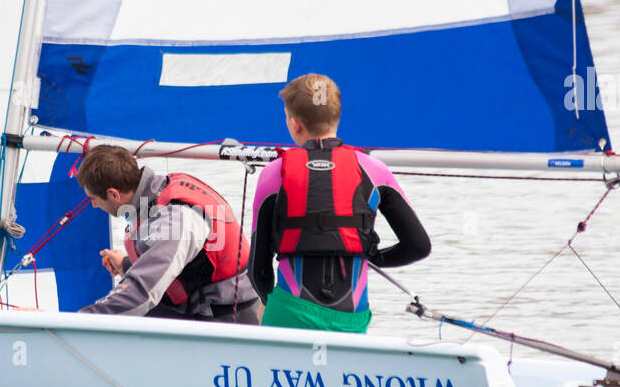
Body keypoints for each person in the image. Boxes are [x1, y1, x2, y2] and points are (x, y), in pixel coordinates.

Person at [248, 73, 430, 333]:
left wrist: (267, 301)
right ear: (337, 117)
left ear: (295, 124)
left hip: (288, 314)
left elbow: (258, 269)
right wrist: (371, 256)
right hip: (350, 319)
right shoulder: (374, 170)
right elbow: (419, 246)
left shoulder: (274, 173)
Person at [76, 144, 262, 323]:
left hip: (223, 315)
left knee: (126, 313)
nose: (93, 205)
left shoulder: (176, 219)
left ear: (113, 194)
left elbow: (142, 291)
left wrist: (77, 321)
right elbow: (179, 258)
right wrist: (127, 264)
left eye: (93, 199)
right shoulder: (160, 189)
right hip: (205, 303)